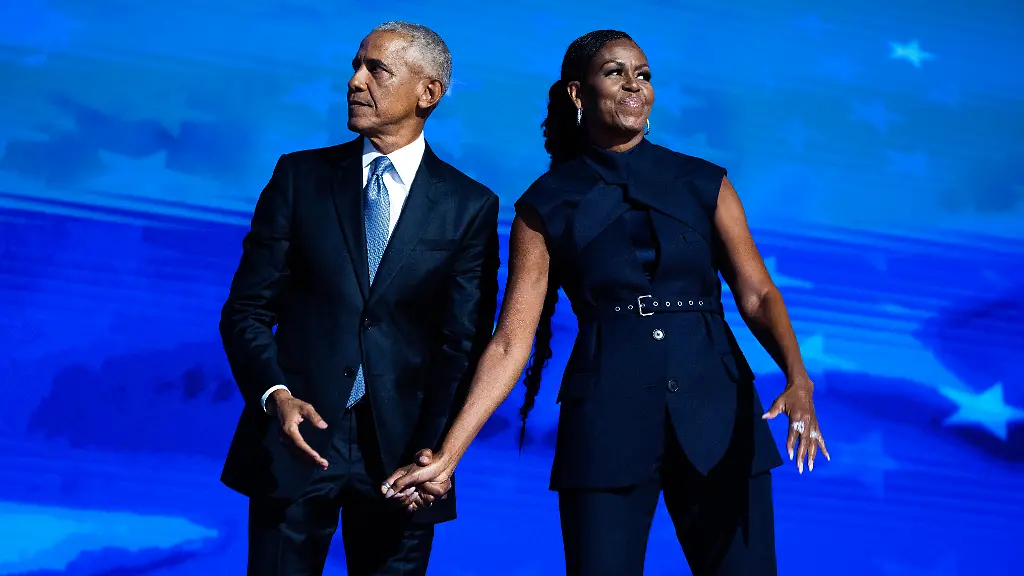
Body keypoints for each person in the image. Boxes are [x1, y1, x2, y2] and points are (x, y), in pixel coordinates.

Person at [383, 30, 830, 575]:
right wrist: (449, 456)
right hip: (606, 422)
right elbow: (510, 342)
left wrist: (798, 378)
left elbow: (758, 294)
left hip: (719, 411)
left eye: (643, 75)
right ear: (578, 93)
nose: (634, 85)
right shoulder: (544, 205)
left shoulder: (703, 181)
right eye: (616, 73)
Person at [218, 21, 499, 576]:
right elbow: (246, 310)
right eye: (355, 66)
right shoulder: (299, 177)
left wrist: (437, 453)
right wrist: (275, 395)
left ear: (428, 92)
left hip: (404, 461)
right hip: (296, 444)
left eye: (377, 69)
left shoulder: (470, 206)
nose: (355, 81)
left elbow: (462, 345)